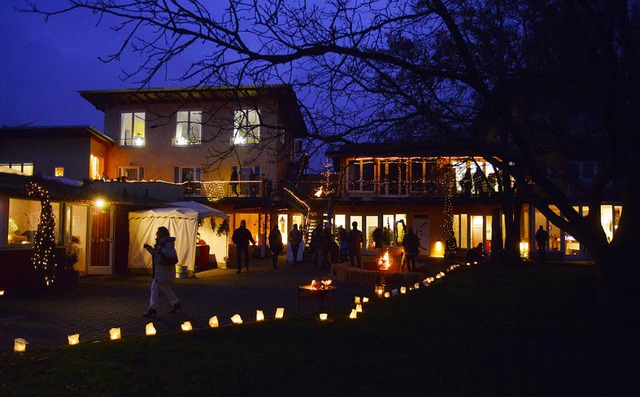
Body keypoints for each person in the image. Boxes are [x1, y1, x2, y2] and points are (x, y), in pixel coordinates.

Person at [142, 226, 181, 317]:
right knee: (165, 288)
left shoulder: (166, 244)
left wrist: (161, 249)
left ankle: (153, 308)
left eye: (157, 232)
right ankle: (176, 303)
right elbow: (157, 255)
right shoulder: (163, 244)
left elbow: (172, 254)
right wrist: (149, 248)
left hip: (163, 272)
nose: (156, 234)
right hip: (163, 272)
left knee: (154, 288)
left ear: (161, 234)